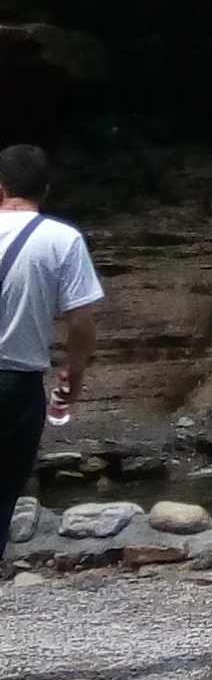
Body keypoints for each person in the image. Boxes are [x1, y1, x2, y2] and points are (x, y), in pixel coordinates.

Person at [0, 145, 100, 570]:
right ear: (45, 189)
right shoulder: (63, 240)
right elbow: (81, 322)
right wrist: (73, 380)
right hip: (17, 387)